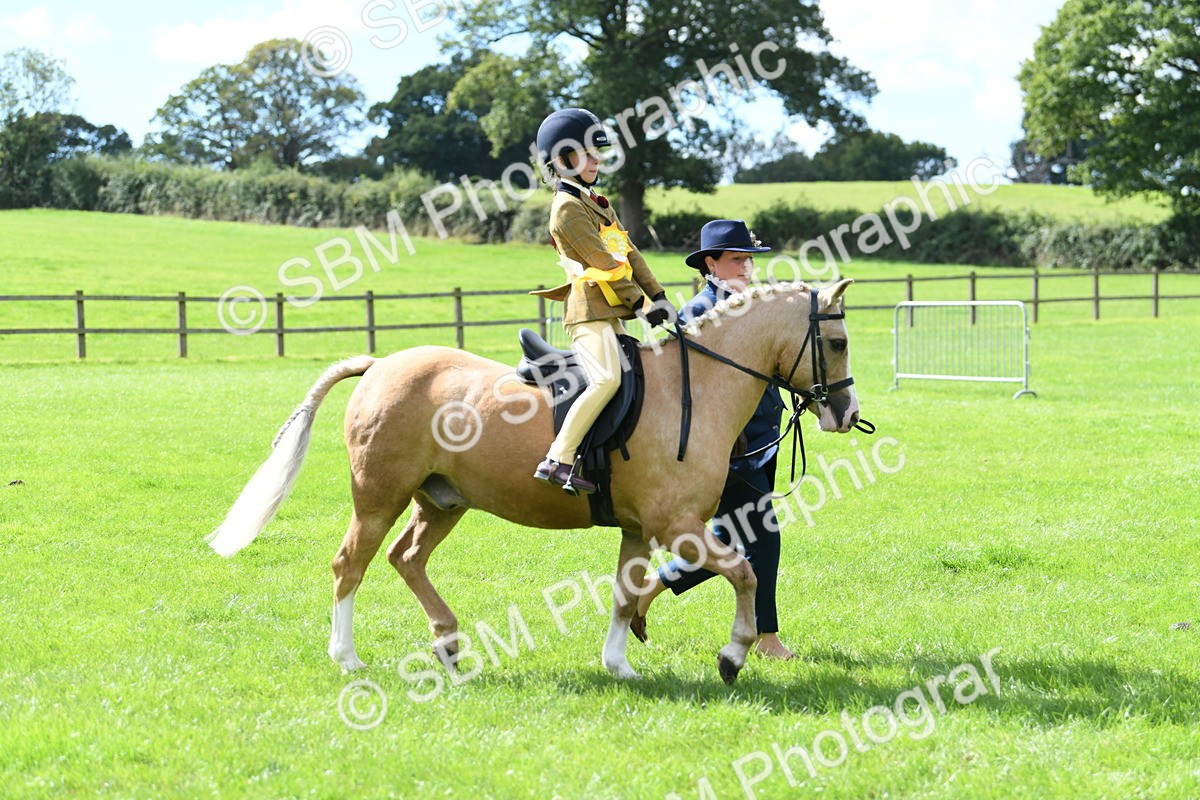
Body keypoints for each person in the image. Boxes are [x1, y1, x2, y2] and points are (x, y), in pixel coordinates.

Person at [634, 219, 796, 660]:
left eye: (749, 260)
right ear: (710, 264)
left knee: (729, 537)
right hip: (728, 448)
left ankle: (650, 587)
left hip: (762, 438)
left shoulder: (754, 307)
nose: (746, 267)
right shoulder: (698, 314)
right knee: (763, 535)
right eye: (736, 259)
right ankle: (766, 638)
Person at [531, 108, 669, 495]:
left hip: (610, 312)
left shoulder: (597, 202)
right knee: (607, 379)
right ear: (562, 160)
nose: (596, 161)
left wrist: (658, 294)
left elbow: (629, 252)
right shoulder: (567, 209)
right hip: (587, 313)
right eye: (587, 154)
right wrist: (642, 306)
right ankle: (557, 458)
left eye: (597, 153)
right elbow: (605, 264)